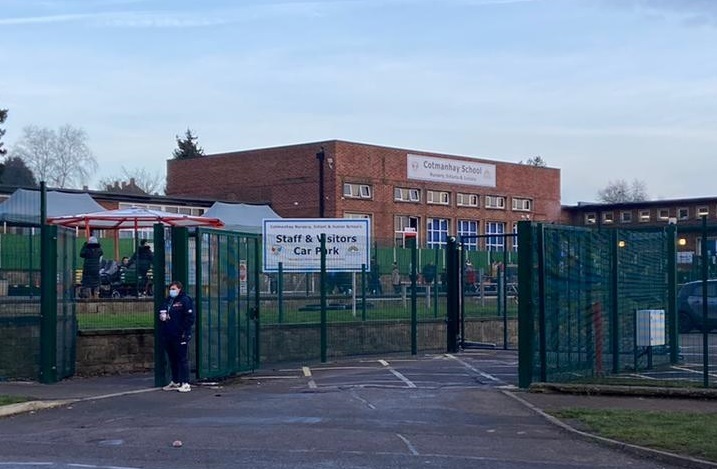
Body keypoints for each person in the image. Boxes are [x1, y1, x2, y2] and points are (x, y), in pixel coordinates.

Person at [159, 281, 195, 393]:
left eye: (174, 289)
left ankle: (185, 382)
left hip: (180, 334)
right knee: (172, 359)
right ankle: (175, 381)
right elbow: (163, 311)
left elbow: (189, 317)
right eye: (170, 289)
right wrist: (162, 316)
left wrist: (184, 330)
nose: (172, 291)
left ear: (179, 289)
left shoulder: (185, 300)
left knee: (182, 358)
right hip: (169, 333)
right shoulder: (168, 300)